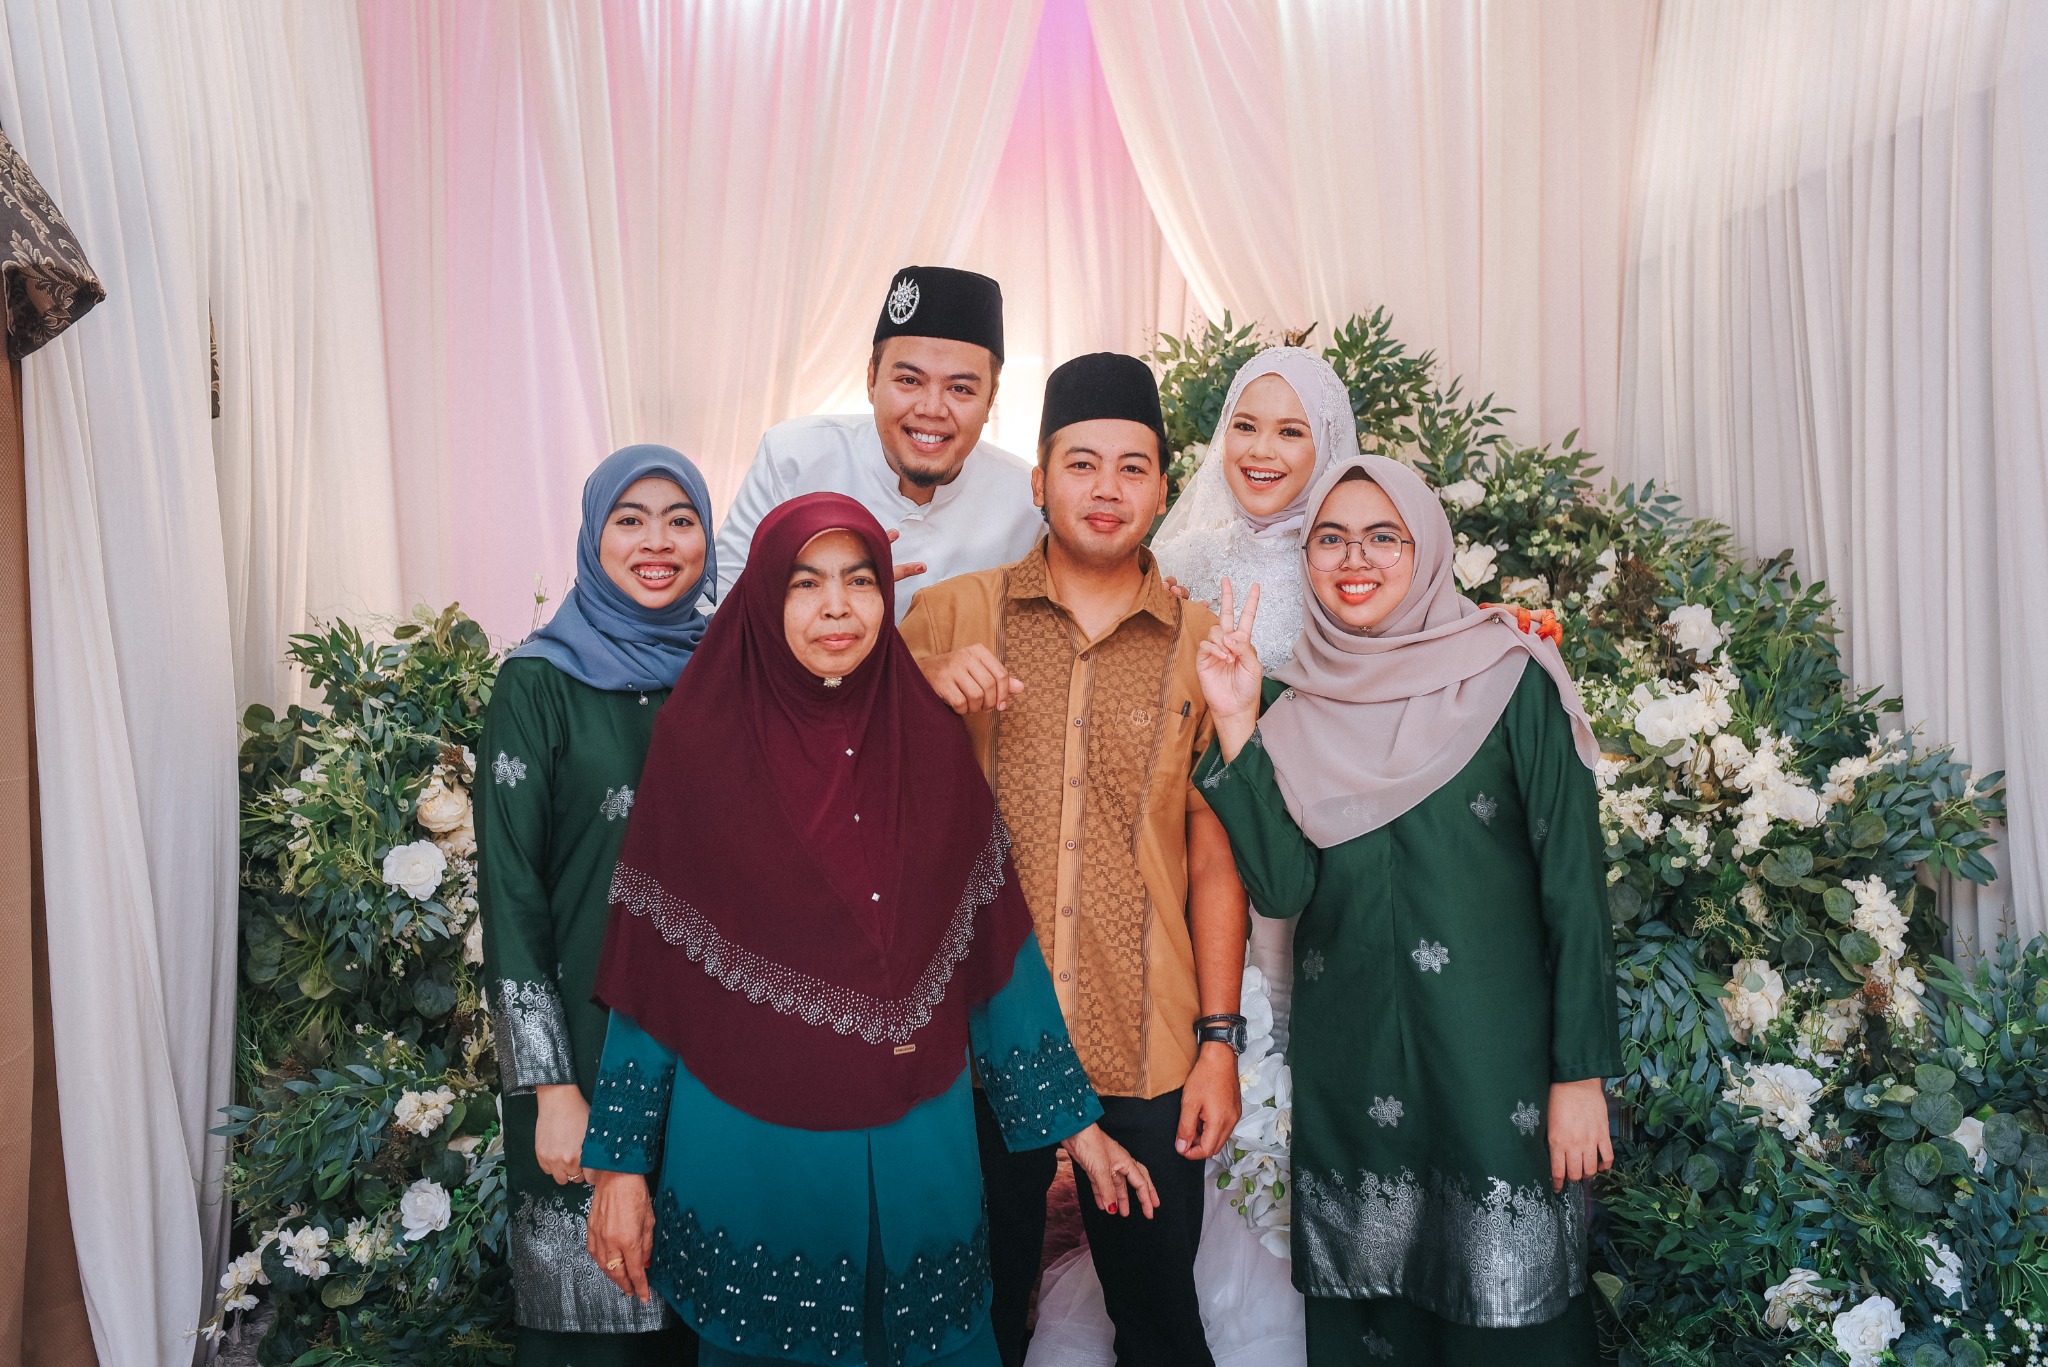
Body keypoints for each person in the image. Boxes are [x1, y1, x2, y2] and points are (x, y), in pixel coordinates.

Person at [579, 493, 1158, 1367]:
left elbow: (996, 954)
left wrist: (1078, 1127)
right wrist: (620, 1167)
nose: (838, 606)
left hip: (919, 1162)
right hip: (758, 1166)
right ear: (763, 598)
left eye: (859, 580)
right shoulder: (701, 749)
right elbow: (652, 977)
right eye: (805, 583)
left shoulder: (929, 741)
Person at [1190, 455, 1622, 1366]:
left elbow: (1576, 894)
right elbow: (1283, 890)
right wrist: (1235, 723)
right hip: (1354, 1071)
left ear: (1426, 548)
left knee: (1512, 1320)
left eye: (1383, 536)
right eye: (1331, 538)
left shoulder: (1514, 678)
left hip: (1493, 1072)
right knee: (1374, 1321)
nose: (1356, 559)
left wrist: (1581, 1076)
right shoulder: (1292, 704)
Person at [900, 353, 1248, 1367]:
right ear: (1038, 478)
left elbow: (1213, 858)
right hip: (972, 1049)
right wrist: (918, 678)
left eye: (1132, 467)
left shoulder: (1203, 646)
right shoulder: (949, 617)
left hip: (1147, 1044)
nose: (1106, 487)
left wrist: (1218, 1042)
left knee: (1161, 1326)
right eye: (1081, 462)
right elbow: (831, 759)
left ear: (1162, 489)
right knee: (970, 1329)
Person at [479, 443, 716, 1365]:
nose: (657, 542)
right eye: (630, 519)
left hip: (715, 1064)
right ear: (593, 534)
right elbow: (511, 894)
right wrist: (551, 1089)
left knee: (710, 1323)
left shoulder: (730, 674)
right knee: (595, 1326)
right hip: (580, 1053)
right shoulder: (537, 683)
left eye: (680, 520)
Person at [715, 266, 1042, 617]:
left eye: (960, 388)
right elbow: (723, 608)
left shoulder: (1026, 500)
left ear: (990, 399)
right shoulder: (792, 457)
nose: (932, 409)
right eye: (909, 380)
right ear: (872, 380)